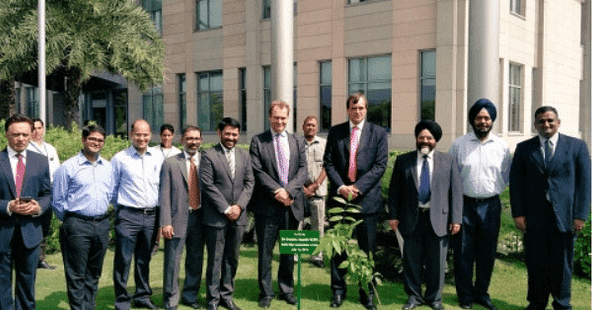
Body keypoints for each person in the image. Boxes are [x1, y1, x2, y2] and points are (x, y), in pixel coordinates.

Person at [510, 106, 590, 310]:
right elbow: (516, 184)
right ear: (535, 124)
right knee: (536, 264)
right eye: (541, 121)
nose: (546, 124)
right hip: (534, 218)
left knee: (562, 266)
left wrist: (580, 215)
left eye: (550, 121)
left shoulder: (577, 146)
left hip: (565, 218)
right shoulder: (524, 149)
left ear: (558, 122)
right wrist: (518, 213)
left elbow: (584, 183)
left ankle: (562, 304)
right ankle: (536, 303)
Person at [388, 120, 462, 310]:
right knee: (411, 261)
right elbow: (394, 190)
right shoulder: (404, 161)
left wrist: (456, 218)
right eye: (421, 137)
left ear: (435, 140)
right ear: (416, 139)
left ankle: (434, 298)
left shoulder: (448, 161)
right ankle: (414, 297)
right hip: (411, 218)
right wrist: (393, 215)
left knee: (437, 262)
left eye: (429, 137)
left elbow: (455, 192)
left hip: (439, 219)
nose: (425, 141)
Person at [324, 93, 388, 310]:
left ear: (366, 109)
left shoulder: (378, 133)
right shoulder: (336, 132)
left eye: (361, 108)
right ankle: (338, 292)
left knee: (367, 249)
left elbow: (380, 165)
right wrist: (342, 187)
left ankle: (367, 292)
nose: (357, 112)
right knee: (337, 248)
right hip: (340, 199)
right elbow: (329, 162)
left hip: (366, 201)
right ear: (347, 109)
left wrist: (358, 188)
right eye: (353, 108)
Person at [449, 99, 511, 310]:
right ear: (472, 120)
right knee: (463, 253)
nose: (483, 121)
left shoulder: (502, 146)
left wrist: (492, 191)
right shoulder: (459, 144)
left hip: (491, 205)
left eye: (487, 118)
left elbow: (505, 174)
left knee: (487, 253)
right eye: (479, 117)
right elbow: (452, 176)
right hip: (464, 205)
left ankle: (482, 294)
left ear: (492, 120)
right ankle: (465, 296)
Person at [249, 101, 308, 308]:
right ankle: (266, 293)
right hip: (267, 206)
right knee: (265, 252)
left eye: (284, 118)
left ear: (288, 118)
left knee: (288, 251)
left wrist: (289, 191)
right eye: (276, 117)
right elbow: (258, 171)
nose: (280, 121)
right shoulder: (258, 141)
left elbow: (303, 170)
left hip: (291, 205)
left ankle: (286, 289)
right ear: (269, 117)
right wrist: (278, 191)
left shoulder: (297, 141)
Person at [52, 124, 115, 310]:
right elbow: (57, 201)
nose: (96, 143)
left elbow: (110, 195)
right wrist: (72, 221)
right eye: (92, 139)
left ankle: (89, 307)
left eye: (100, 140)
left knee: (94, 273)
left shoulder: (109, 167)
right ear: (83, 140)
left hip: (102, 224)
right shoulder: (68, 167)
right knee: (77, 274)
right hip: (77, 224)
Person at [201, 118, 254, 310]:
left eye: (234, 134)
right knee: (215, 259)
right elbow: (208, 185)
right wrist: (226, 208)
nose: (231, 137)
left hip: (238, 217)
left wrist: (238, 207)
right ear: (219, 132)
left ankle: (226, 296)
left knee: (232, 258)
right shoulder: (208, 154)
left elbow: (250, 183)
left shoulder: (244, 155)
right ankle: (212, 300)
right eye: (228, 133)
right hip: (216, 217)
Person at [0, 114, 51, 310]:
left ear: (32, 134)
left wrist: (39, 207)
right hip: (3, 231)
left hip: (30, 232)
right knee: (2, 284)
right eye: (16, 134)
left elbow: (47, 193)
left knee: (27, 283)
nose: (20, 138)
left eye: (24, 134)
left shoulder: (40, 160)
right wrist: (7, 206)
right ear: (6, 135)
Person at [111, 119, 162, 310]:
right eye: (138, 134)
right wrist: (123, 209)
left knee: (144, 258)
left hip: (151, 216)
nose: (142, 138)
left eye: (145, 134)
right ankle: (122, 301)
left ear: (150, 135)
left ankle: (142, 296)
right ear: (131, 134)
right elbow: (113, 189)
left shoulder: (158, 157)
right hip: (127, 216)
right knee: (123, 259)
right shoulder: (120, 158)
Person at [159, 125, 206, 310]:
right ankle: (171, 300)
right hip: (177, 219)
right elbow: (164, 194)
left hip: (200, 219)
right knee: (172, 262)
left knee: (195, 260)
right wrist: (165, 222)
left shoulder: (206, 161)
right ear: (182, 140)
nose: (193, 142)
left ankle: (190, 296)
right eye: (189, 138)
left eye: (196, 138)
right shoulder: (171, 163)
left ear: (201, 140)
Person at [28, 118, 61, 270]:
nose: (37, 131)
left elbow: (58, 171)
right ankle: (30, 259)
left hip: (50, 192)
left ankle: (40, 259)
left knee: (45, 225)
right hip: (34, 192)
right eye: (33, 128)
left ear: (43, 129)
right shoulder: (26, 149)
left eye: (39, 128)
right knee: (32, 225)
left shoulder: (50, 148)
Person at [301, 116, 327, 268]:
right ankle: (295, 255)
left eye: (313, 125)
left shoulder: (324, 144)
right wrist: (304, 187)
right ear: (303, 126)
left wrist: (315, 185)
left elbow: (327, 167)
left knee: (318, 226)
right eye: (307, 125)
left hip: (319, 191)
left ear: (316, 128)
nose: (310, 127)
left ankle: (316, 256)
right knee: (297, 224)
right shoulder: (296, 143)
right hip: (300, 192)